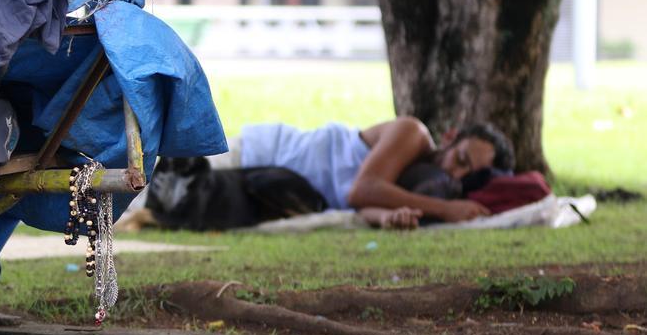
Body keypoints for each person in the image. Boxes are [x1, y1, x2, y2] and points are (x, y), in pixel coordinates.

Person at [126, 117, 515, 231]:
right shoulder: (413, 134)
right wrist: (447, 211)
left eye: (467, 174)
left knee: (158, 203)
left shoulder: (423, 187)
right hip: (264, 154)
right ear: (450, 136)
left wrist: (394, 217)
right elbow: (362, 190)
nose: (453, 171)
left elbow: (366, 206)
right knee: (145, 191)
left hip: (272, 188)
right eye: (460, 157)